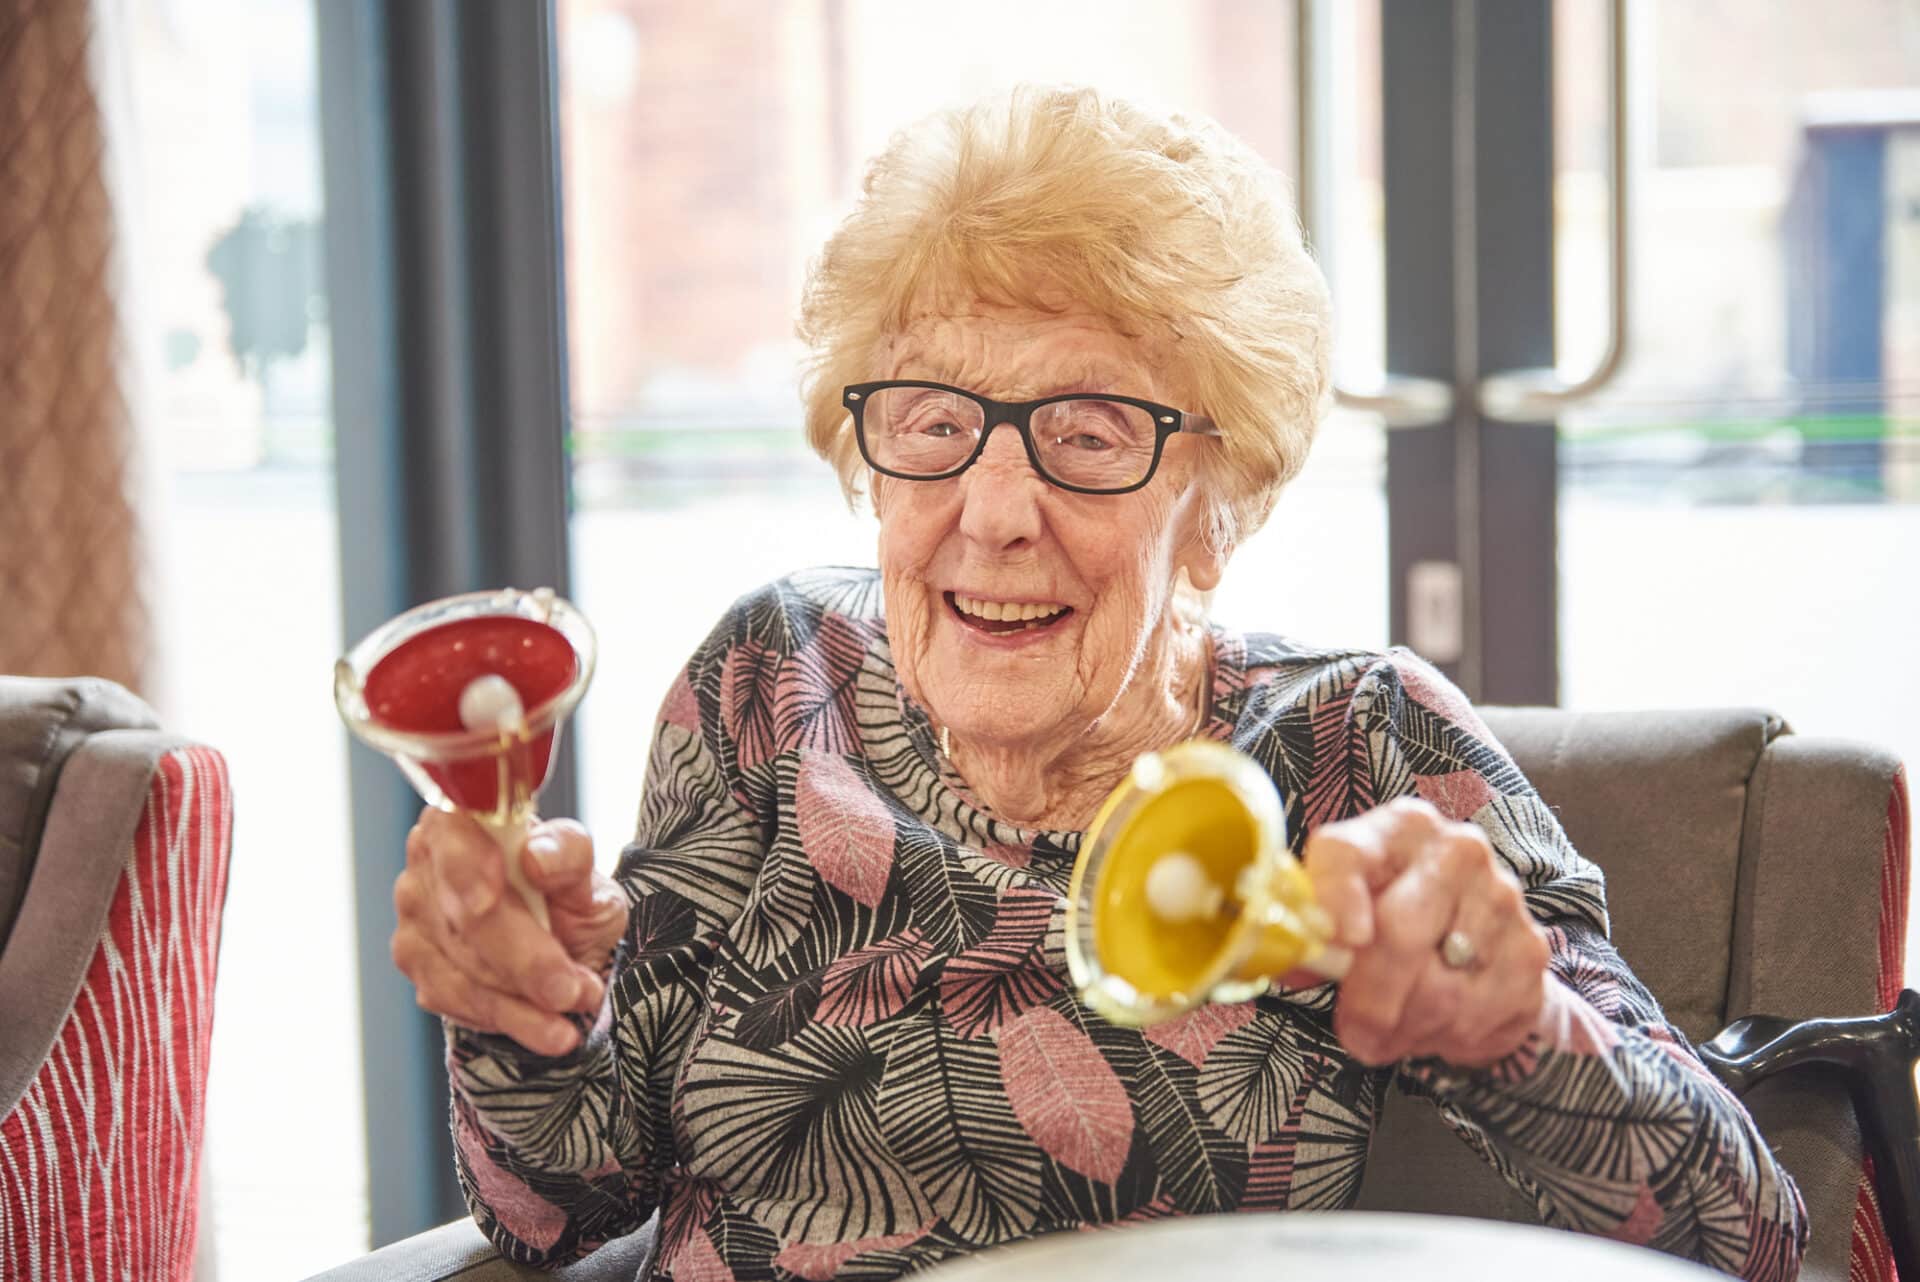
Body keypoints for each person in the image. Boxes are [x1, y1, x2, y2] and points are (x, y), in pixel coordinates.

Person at [390, 86, 1807, 1281]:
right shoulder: (769, 686)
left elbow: (1754, 1234)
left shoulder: (1353, 749)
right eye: (933, 421)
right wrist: (525, 1012)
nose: (994, 509)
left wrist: (1521, 1028)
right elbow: (555, 1208)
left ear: (1222, 490)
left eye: (1086, 431)